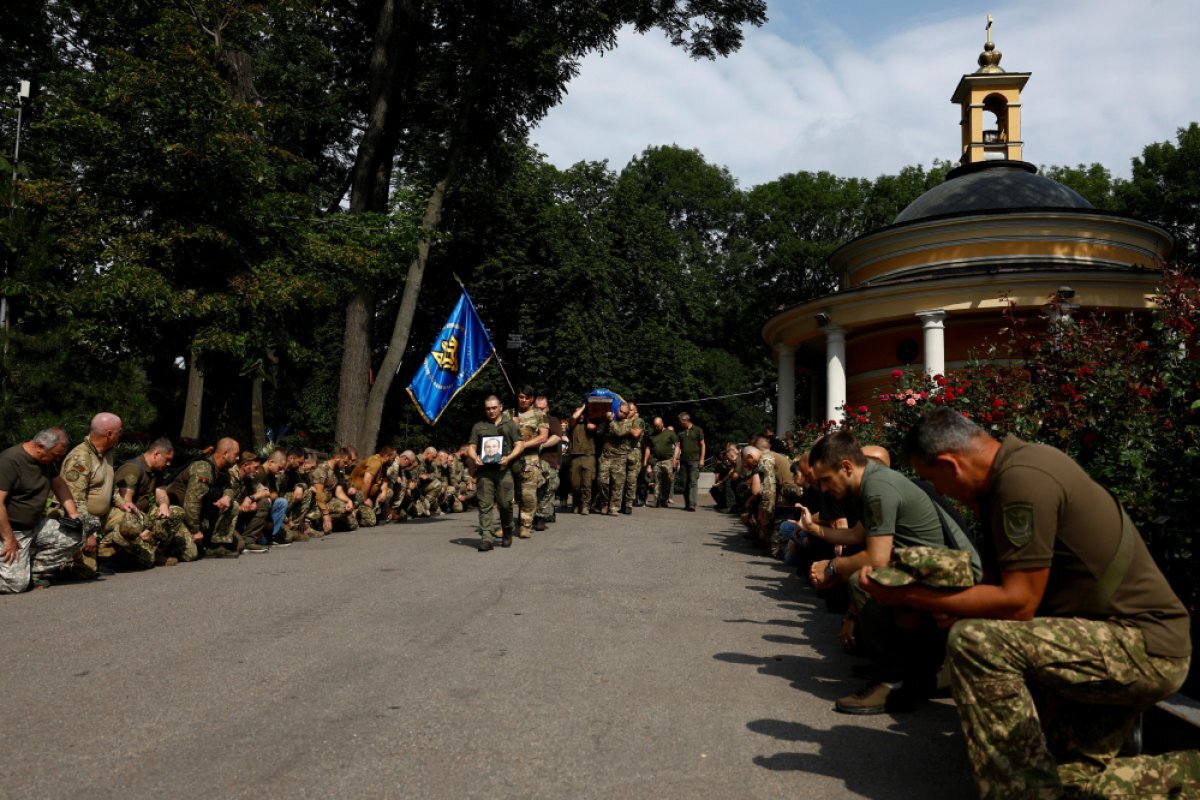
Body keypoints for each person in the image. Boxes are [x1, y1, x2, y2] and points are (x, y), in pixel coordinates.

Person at [861, 407, 1197, 798]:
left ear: (951, 464)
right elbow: (1001, 586)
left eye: (934, 481)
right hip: (1105, 641)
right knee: (1072, 784)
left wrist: (907, 597)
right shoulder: (1004, 480)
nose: (941, 492)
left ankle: (1020, 793)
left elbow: (1018, 603)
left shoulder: (1022, 478)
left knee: (975, 641)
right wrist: (952, 603)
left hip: (1144, 647)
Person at [800, 430, 981, 714]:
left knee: (863, 581)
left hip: (951, 573)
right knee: (866, 577)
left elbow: (876, 558)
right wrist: (813, 529)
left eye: (825, 479)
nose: (822, 488)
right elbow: (857, 535)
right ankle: (911, 671)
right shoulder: (871, 481)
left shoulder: (877, 488)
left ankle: (894, 683)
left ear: (846, 467)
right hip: (935, 567)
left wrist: (832, 567)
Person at [0, 428, 85, 593]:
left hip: (35, 525)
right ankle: (16, 573)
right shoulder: (9, 461)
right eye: (55, 455)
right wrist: (8, 539)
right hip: (11, 530)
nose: (58, 459)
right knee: (15, 585)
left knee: (78, 532)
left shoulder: (46, 459)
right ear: (40, 446)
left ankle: (32, 572)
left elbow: (59, 485)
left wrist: (73, 514)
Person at [100, 437, 187, 568]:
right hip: (126, 520)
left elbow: (161, 491)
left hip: (142, 517)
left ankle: (154, 549)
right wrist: (142, 529)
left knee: (175, 512)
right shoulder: (133, 469)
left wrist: (164, 506)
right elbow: (126, 504)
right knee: (146, 561)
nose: (169, 464)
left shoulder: (157, 470)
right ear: (156, 454)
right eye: (167, 459)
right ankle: (114, 553)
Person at [58, 411, 124, 577]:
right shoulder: (80, 458)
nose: (120, 435)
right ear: (109, 434)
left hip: (102, 516)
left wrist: (124, 504)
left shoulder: (108, 453)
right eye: (119, 432)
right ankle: (67, 562)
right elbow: (75, 500)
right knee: (86, 573)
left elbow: (111, 487)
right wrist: (88, 533)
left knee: (133, 520)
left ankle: (102, 556)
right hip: (78, 520)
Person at [166, 437, 241, 558]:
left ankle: (216, 545)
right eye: (236, 454)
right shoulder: (203, 469)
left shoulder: (223, 470)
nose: (238, 458)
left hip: (200, 514)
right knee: (191, 554)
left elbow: (229, 488)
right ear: (225, 453)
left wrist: (227, 497)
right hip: (180, 514)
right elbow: (192, 503)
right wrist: (195, 531)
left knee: (239, 543)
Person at [467, 395, 523, 551]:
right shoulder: (479, 426)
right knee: (484, 505)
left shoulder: (510, 425)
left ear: (500, 407)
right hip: (484, 472)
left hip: (503, 471)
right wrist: (475, 458)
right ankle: (487, 538)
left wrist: (509, 458)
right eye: (488, 409)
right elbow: (471, 447)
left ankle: (507, 529)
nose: (491, 411)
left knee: (505, 504)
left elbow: (520, 445)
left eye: (494, 408)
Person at [514, 386, 549, 537]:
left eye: (527, 398)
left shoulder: (539, 415)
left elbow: (543, 437)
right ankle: (507, 525)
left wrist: (523, 445)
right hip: (511, 459)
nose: (523, 400)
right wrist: (510, 425)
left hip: (530, 459)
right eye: (521, 397)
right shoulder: (508, 414)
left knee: (528, 495)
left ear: (532, 399)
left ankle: (526, 525)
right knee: (509, 495)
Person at [533, 396, 563, 530]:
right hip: (529, 460)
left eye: (543, 408)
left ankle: (541, 516)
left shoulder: (552, 420)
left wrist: (542, 445)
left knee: (550, 485)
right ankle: (529, 515)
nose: (540, 411)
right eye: (537, 408)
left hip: (547, 460)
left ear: (547, 408)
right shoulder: (528, 421)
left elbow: (557, 437)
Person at [566, 404, 598, 514]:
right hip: (575, 456)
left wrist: (587, 414)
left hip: (589, 456)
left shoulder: (590, 423)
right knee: (575, 484)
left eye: (583, 414)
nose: (581, 416)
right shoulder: (572, 424)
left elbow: (591, 427)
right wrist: (583, 407)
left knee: (587, 483)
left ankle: (585, 505)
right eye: (579, 413)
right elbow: (573, 418)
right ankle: (576, 503)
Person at [644, 416, 679, 507]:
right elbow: (648, 448)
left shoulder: (670, 433)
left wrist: (675, 458)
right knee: (657, 480)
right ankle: (656, 500)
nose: (656, 428)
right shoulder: (652, 435)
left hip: (668, 460)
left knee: (668, 481)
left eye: (658, 426)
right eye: (655, 426)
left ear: (662, 423)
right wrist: (646, 461)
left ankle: (664, 499)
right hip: (656, 460)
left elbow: (677, 445)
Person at [676, 412, 705, 512]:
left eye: (680, 421)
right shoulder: (680, 432)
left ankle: (692, 504)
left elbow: (703, 445)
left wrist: (702, 459)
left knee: (693, 482)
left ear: (685, 420)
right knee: (684, 482)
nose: (679, 423)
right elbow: (678, 446)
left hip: (694, 460)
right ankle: (687, 503)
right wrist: (675, 458)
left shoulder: (697, 430)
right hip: (683, 460)